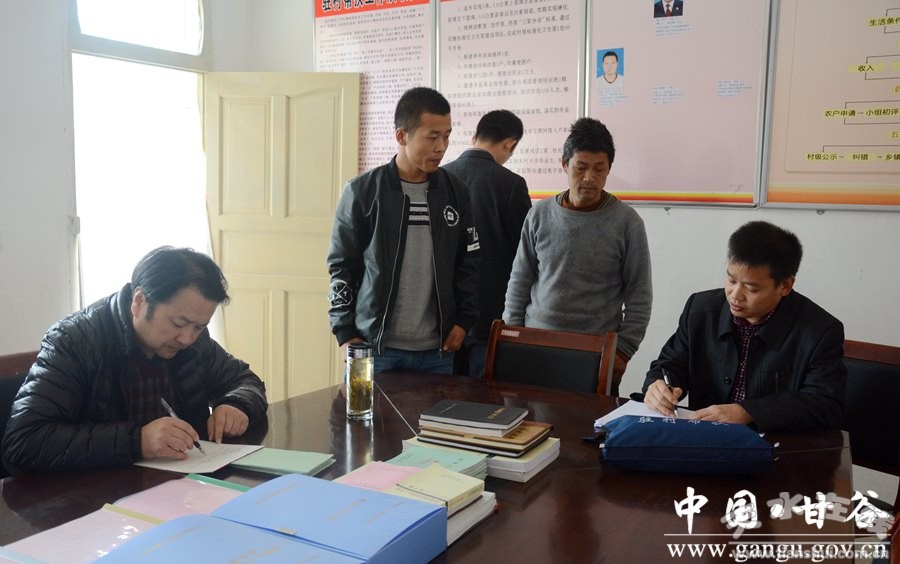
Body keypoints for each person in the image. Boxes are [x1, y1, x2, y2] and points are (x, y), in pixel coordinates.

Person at [1, 247, 268, 474]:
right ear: (139, 301)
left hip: (182, 485)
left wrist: (236, 404)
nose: (187, 338)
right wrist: (138, 441)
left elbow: (245, 380)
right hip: (96, 496)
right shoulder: (75, 341)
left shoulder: (195, 341)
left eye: (199, 327)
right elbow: (22, 443)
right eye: (179, 323)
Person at [327, 86, 479, 374]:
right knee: (364, 408)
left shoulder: (456, 192)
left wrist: (464, 321)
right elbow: (341, 266)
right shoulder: (362, 192)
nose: (441, 147)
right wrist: (344, 332)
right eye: (432, 137)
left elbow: (469, 262)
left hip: (438, 351)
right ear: (401, 136)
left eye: (447, 136)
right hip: (375, 347)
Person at [642, 221, 846, 432]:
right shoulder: (700, 310)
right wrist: (658, 386)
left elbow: (825, 405)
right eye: (731, 280)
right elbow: (670, 364)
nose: (735, 295)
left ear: (785, 285)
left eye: (751, 288)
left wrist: (748, 412)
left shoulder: (820, 331)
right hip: (702, 436)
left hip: (773, 442)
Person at [503, 117, 652, 394]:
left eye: (599, 169)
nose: (589, 178)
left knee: (590, 421)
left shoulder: (627, 222)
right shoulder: (539, 214)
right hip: (537, 346)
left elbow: (639, 294)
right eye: (581, 167)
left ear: (609, 169)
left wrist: (624, 350)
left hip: (596, 353)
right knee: (532, 418)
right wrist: (513, 336)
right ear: (564, 164)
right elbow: (520, 280)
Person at [443, 110, 532, 377]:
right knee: (486, 394)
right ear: (509, 144)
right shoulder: (511, 184)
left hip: (446, 315)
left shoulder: (441, 177)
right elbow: (525, 254)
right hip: (491, 314)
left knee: (445, 393)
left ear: (475, 137)